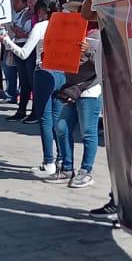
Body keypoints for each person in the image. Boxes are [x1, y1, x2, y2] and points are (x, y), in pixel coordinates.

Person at [82, 0, 132, 222]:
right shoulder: (110, 1)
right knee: (117, 148)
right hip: (113, 84)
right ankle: (116, 198)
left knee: (131, 148)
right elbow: (86, 14)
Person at [0, 0, 59, 172]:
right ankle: (64, 161)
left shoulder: (40, 27)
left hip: (44, 70)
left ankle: (49, 161)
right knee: (60, 120)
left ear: (42, 10)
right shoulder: (64, 24)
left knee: (46, 119)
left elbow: (24, 53)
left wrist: (7, 41)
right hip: (63, 72)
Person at [52, 22, 104, 189]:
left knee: (88, 131)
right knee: (61, 127)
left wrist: (88, 51)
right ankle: (67, 167)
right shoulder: (74, 31)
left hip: (90, 88)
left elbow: (105, 62)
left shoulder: (102, 33)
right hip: (73, 87)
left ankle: (86, 170)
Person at [6, 0, 40, 119]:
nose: (30, 0)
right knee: (23, 81)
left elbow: (31, 34)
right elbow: (17, 29)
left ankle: (35, 112)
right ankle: (21, 111)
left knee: (31, 81)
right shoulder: (25, 13)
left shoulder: (38, 16)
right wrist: (17, 31)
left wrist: (19, 32)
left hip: (30, 50)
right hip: (19, 46)